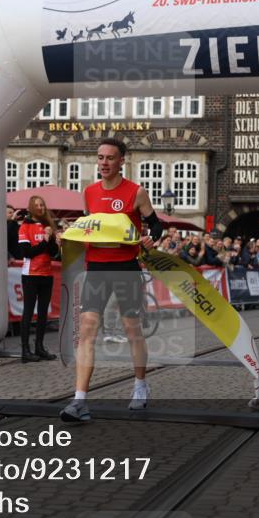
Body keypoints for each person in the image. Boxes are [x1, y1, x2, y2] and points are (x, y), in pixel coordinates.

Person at [61, 137, 161, 423]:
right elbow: (86, 229)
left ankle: (140, 384)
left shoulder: (136, 192)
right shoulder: (89, 192)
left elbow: (155, 224)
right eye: (100, 157)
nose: (103, 162)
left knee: (132, 331)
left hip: (126, 268)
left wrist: (151, 238)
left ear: (121, 162)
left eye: (109, 158)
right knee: (87, 332)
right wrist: (66, 237)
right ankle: (79, 401)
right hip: (96, 270)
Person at [17, 195, 60, 363]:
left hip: (46, 274)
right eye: (37, 205)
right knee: (28, 311)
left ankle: (39, 347)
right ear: (31, 207)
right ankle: (25, 350)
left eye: (42, 204)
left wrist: (52, 240)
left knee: (43, 312)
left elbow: (52, 253)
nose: (41, 208)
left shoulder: (47, 226)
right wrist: (44, 240)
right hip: (30, 275)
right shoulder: (25, 227)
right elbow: (26, 252)